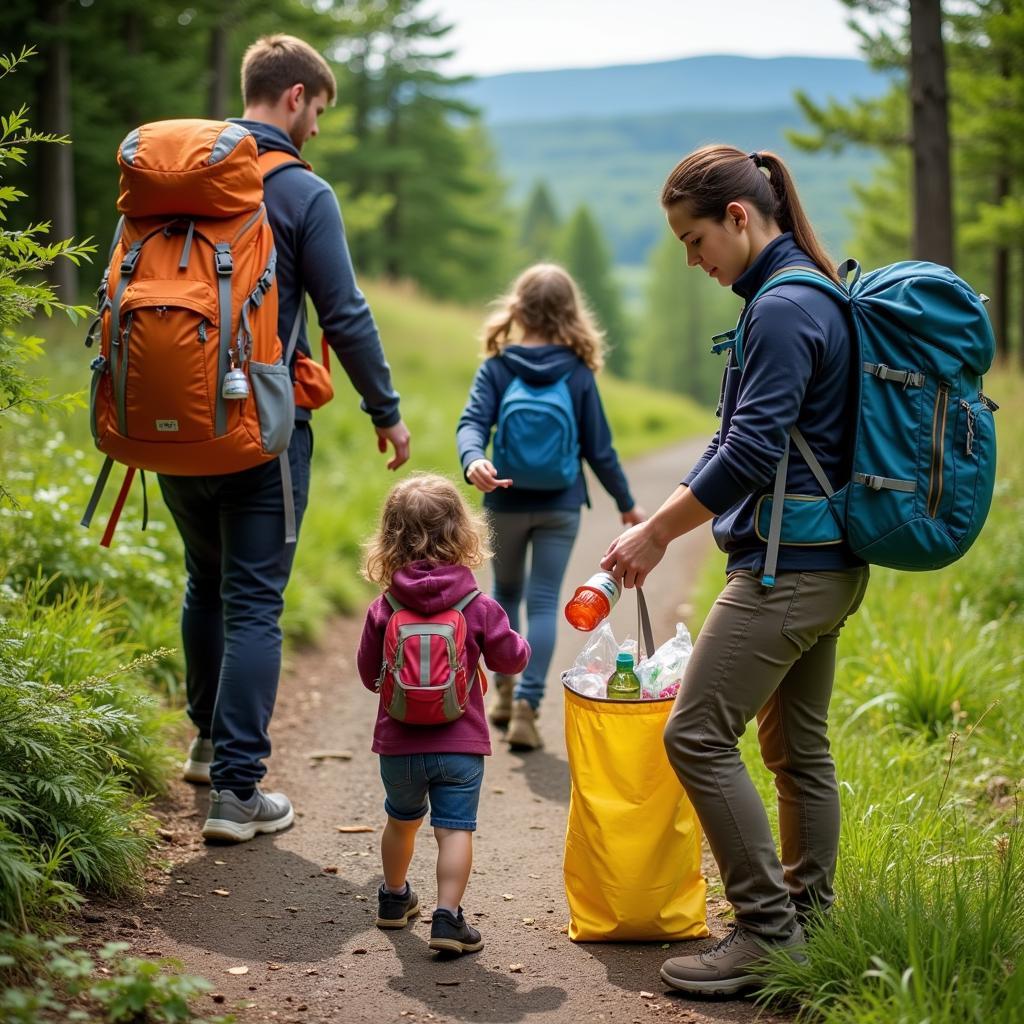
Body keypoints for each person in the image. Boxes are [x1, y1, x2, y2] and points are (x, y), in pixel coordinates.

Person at [601, 145, 870, 995]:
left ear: (740, 218)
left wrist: (658, 536)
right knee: (797, 748)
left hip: (791, 569)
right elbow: (745, 439)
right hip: (827, 561)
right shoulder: (800, 293)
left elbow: (749, 450)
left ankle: (766, 934)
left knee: (696, 732)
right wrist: (670, 518)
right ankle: (808, 923)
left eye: (694, 238)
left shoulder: (785, 308)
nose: (691, 259)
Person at [166, 34, 411, 842]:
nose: (316, 130)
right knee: (254, 604)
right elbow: (344, 314)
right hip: (262, 427)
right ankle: (237, 792)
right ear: (298, 96)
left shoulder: (179, 180)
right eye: (318, 112)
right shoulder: (304, 192)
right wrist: (386, 409)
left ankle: (207, 745)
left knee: (207, 582)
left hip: (170, 421)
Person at [456, 264, 645, 750]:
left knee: (505, 593)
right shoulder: (578, 373)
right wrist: (626, 505)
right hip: (560, 503)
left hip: (506, 497)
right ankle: (528, 707)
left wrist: (475, 460)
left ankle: (502, 690)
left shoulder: (498, 367)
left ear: (517, 309)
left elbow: (471, 422)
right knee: (543, 600)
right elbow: (599, 450)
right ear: (569, 313)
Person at [356, 473, 530, 955]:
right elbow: (510, 659)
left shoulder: (385, 605)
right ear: (463, 532)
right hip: (460, 745)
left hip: (398, 744)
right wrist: (518, 644)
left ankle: (393, 900)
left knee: (401, 820)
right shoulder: (478, 604)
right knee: (454, 830)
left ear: (389, 537)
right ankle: (447, 918)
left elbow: (367, 670)